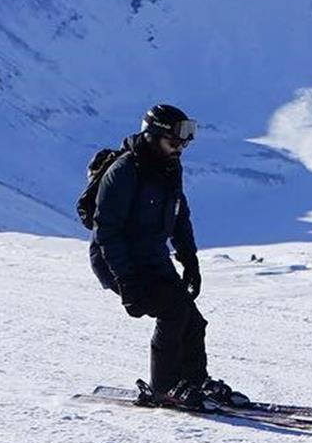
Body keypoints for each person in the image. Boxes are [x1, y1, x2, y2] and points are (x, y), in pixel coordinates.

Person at [88, 103, 243, 410]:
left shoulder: (169, 167)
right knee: (173, 311)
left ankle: (194, 381)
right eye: (174, 141)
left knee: (194, 320)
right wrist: (126, 282)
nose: (181, 148)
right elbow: (107, 232)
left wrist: (190, 259)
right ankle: (163, 387)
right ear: (152, 136)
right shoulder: (122, 173)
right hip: (118, 260)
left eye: (185, 142)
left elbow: (179, 214)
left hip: (152, 256)